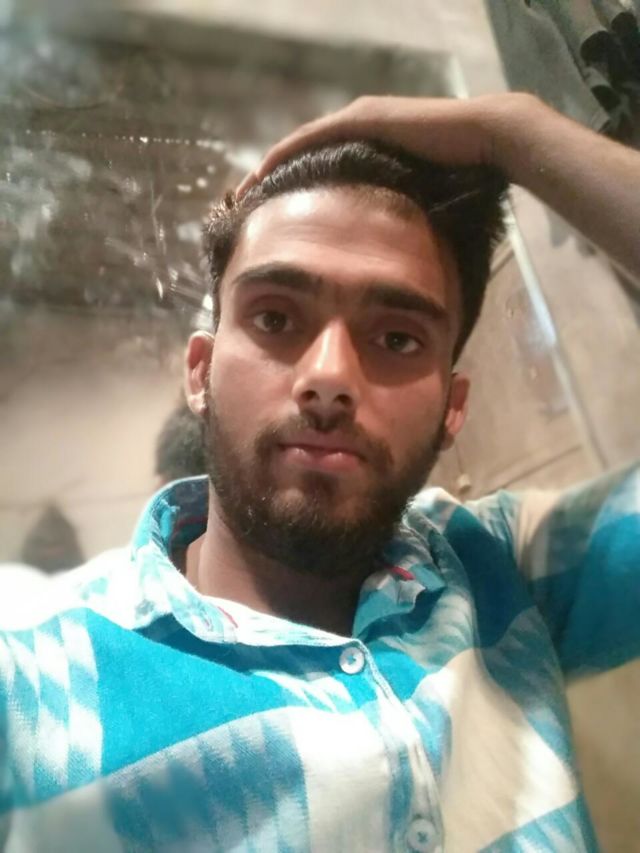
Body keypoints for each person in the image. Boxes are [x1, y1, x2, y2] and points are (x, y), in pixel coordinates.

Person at [0, 93, 638, 852]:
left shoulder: (505, 562)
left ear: (453, 408)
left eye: (396, 338)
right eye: (275, 318)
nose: (329, 377)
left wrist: (510, 132)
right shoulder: (35, 675)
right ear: (200, 373)